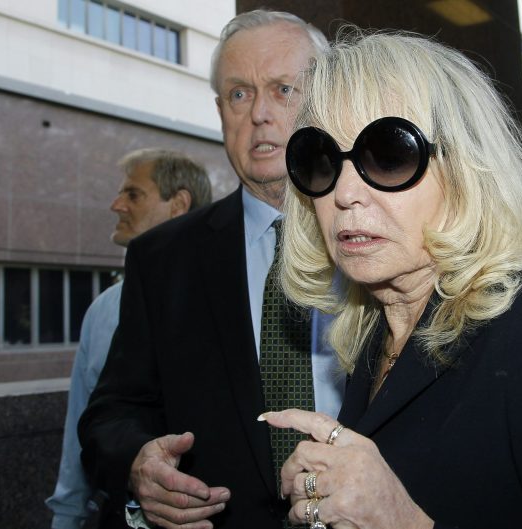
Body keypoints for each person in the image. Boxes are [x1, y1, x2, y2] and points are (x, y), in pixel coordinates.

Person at [261, 29, 522, 528]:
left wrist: (404, 523)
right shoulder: (374, 328)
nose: (345, 193)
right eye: (320, 158)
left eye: (389, 154)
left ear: (468, 173)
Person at [78, 11, 344, 529]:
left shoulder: (383, 235)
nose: (261, 113)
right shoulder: (162, 258)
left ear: (327, 98)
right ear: (220, 110)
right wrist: (138, 463)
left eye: (284, 89)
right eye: (240, 94)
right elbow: (113, 411)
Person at [45, 148, 212, 529]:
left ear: (178, 204)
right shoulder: (102, 310)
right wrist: (66, 517)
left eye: (133, 194)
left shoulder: (222, 299)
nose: (116, 205)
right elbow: (82, 425)